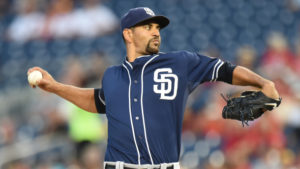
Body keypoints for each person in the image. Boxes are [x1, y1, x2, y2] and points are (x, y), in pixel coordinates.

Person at [28, 7, 280, 169]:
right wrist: (55, 87)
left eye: (157, 27)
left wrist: (262, 83)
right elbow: (98, 102)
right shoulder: (112, 75)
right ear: (128, 34)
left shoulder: (180, 62)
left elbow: (224, 69)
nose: (155, 32)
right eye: (147, 27)